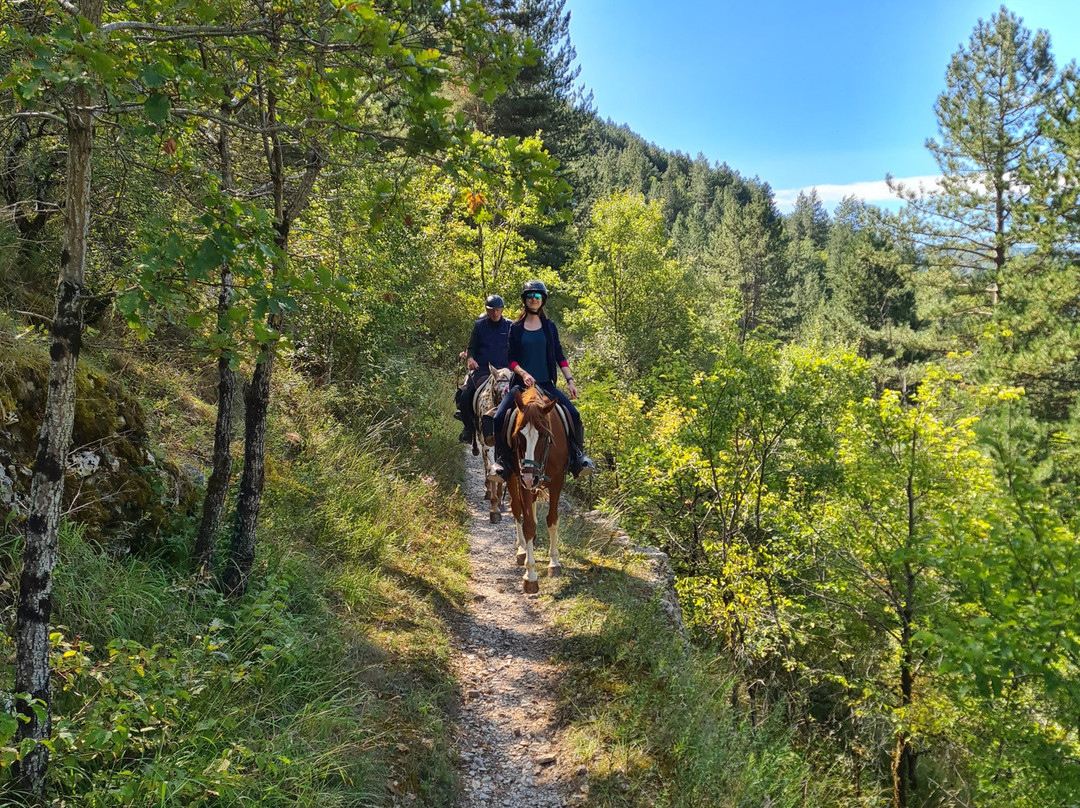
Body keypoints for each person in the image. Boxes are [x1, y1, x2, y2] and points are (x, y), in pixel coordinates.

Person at [490, 280, 596, 480]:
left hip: (546, 385)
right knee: (498, 417)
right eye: (530, 296)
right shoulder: (516, 328)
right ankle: (502, 461)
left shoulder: (549, 327)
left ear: (543, 300)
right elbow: (511, 360)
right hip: (521, 386)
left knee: (574, 415)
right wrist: (523, 374)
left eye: (537, 296)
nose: (534, 299)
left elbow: (559, 356)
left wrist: (570, 381)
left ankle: (577, 458)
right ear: (524, 300)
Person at [454, 294, 511, 443]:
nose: (495, 313)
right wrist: (470, 358)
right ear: (487, 310)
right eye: (491, 310)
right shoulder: (479, 326)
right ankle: (468, 429)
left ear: (502, 309)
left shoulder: (511, 326)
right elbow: (472, 347)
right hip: (483, 369)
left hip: (505, 371)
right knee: (465, 394)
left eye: (497, 309)